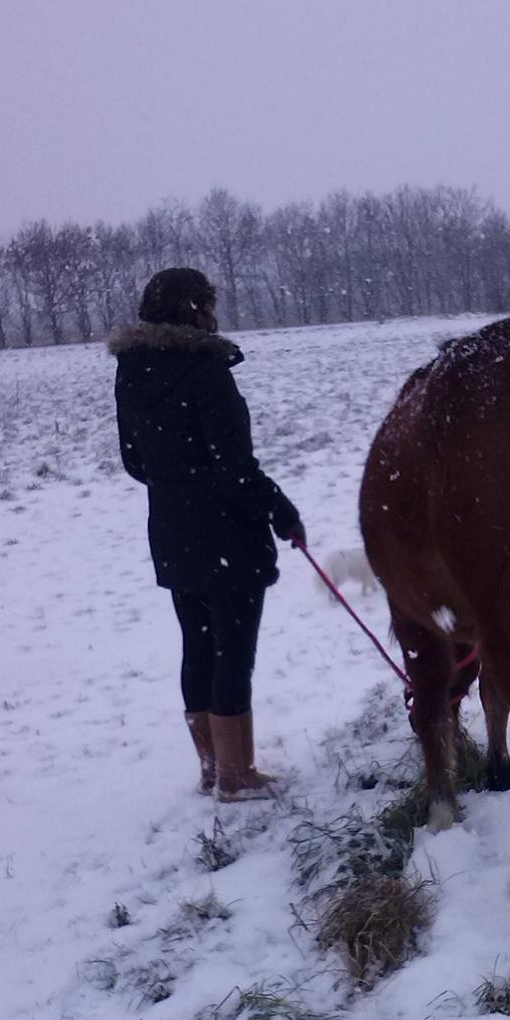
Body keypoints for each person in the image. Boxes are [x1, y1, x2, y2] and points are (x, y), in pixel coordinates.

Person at [109, 268, 306, 801]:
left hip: (173, 529)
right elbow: (235, 468)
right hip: (226, 534)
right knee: (232, 652)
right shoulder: (205, 370)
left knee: (197, 647)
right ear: (198, 308)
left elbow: (133, 461)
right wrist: (281, 511)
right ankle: (236, 775)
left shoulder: (133, 370)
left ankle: (212, 766)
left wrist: (177, 485)